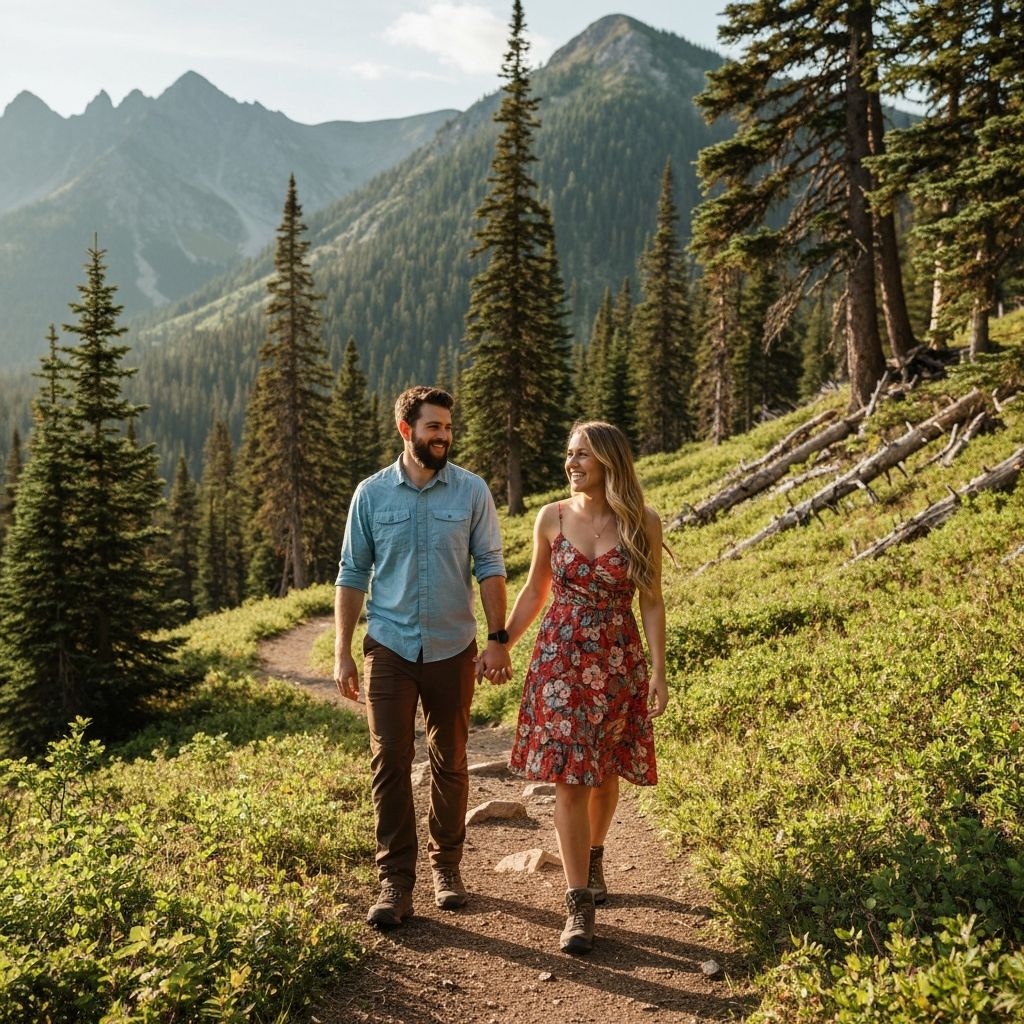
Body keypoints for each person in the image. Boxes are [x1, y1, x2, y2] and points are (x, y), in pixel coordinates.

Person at [334, 385, 512, 928]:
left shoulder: (472, 492)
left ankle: (447, 866)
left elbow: (490, 566)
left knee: (451, 759)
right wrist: (342, 650)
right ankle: (395, 880)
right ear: (407, 430)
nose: (444, 436)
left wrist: (497, 638)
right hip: (388, 646)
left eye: (448, 428)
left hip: (452, 647)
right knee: (389, 759)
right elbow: (351, 573)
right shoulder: (370, 495)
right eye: (434, 427)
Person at [502, 420, 668, 954]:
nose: (572, 464)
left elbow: (651, 600)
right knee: (568, 781)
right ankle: (578, 904)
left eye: (583, 456)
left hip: (618, 662)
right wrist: (501, 640)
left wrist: (659, 672)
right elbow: (534, 590)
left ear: (609, 463)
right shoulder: (550, 518)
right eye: (569, 454)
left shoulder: (642, 521)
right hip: (559, 662)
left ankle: (595, 854)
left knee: (604, 776)